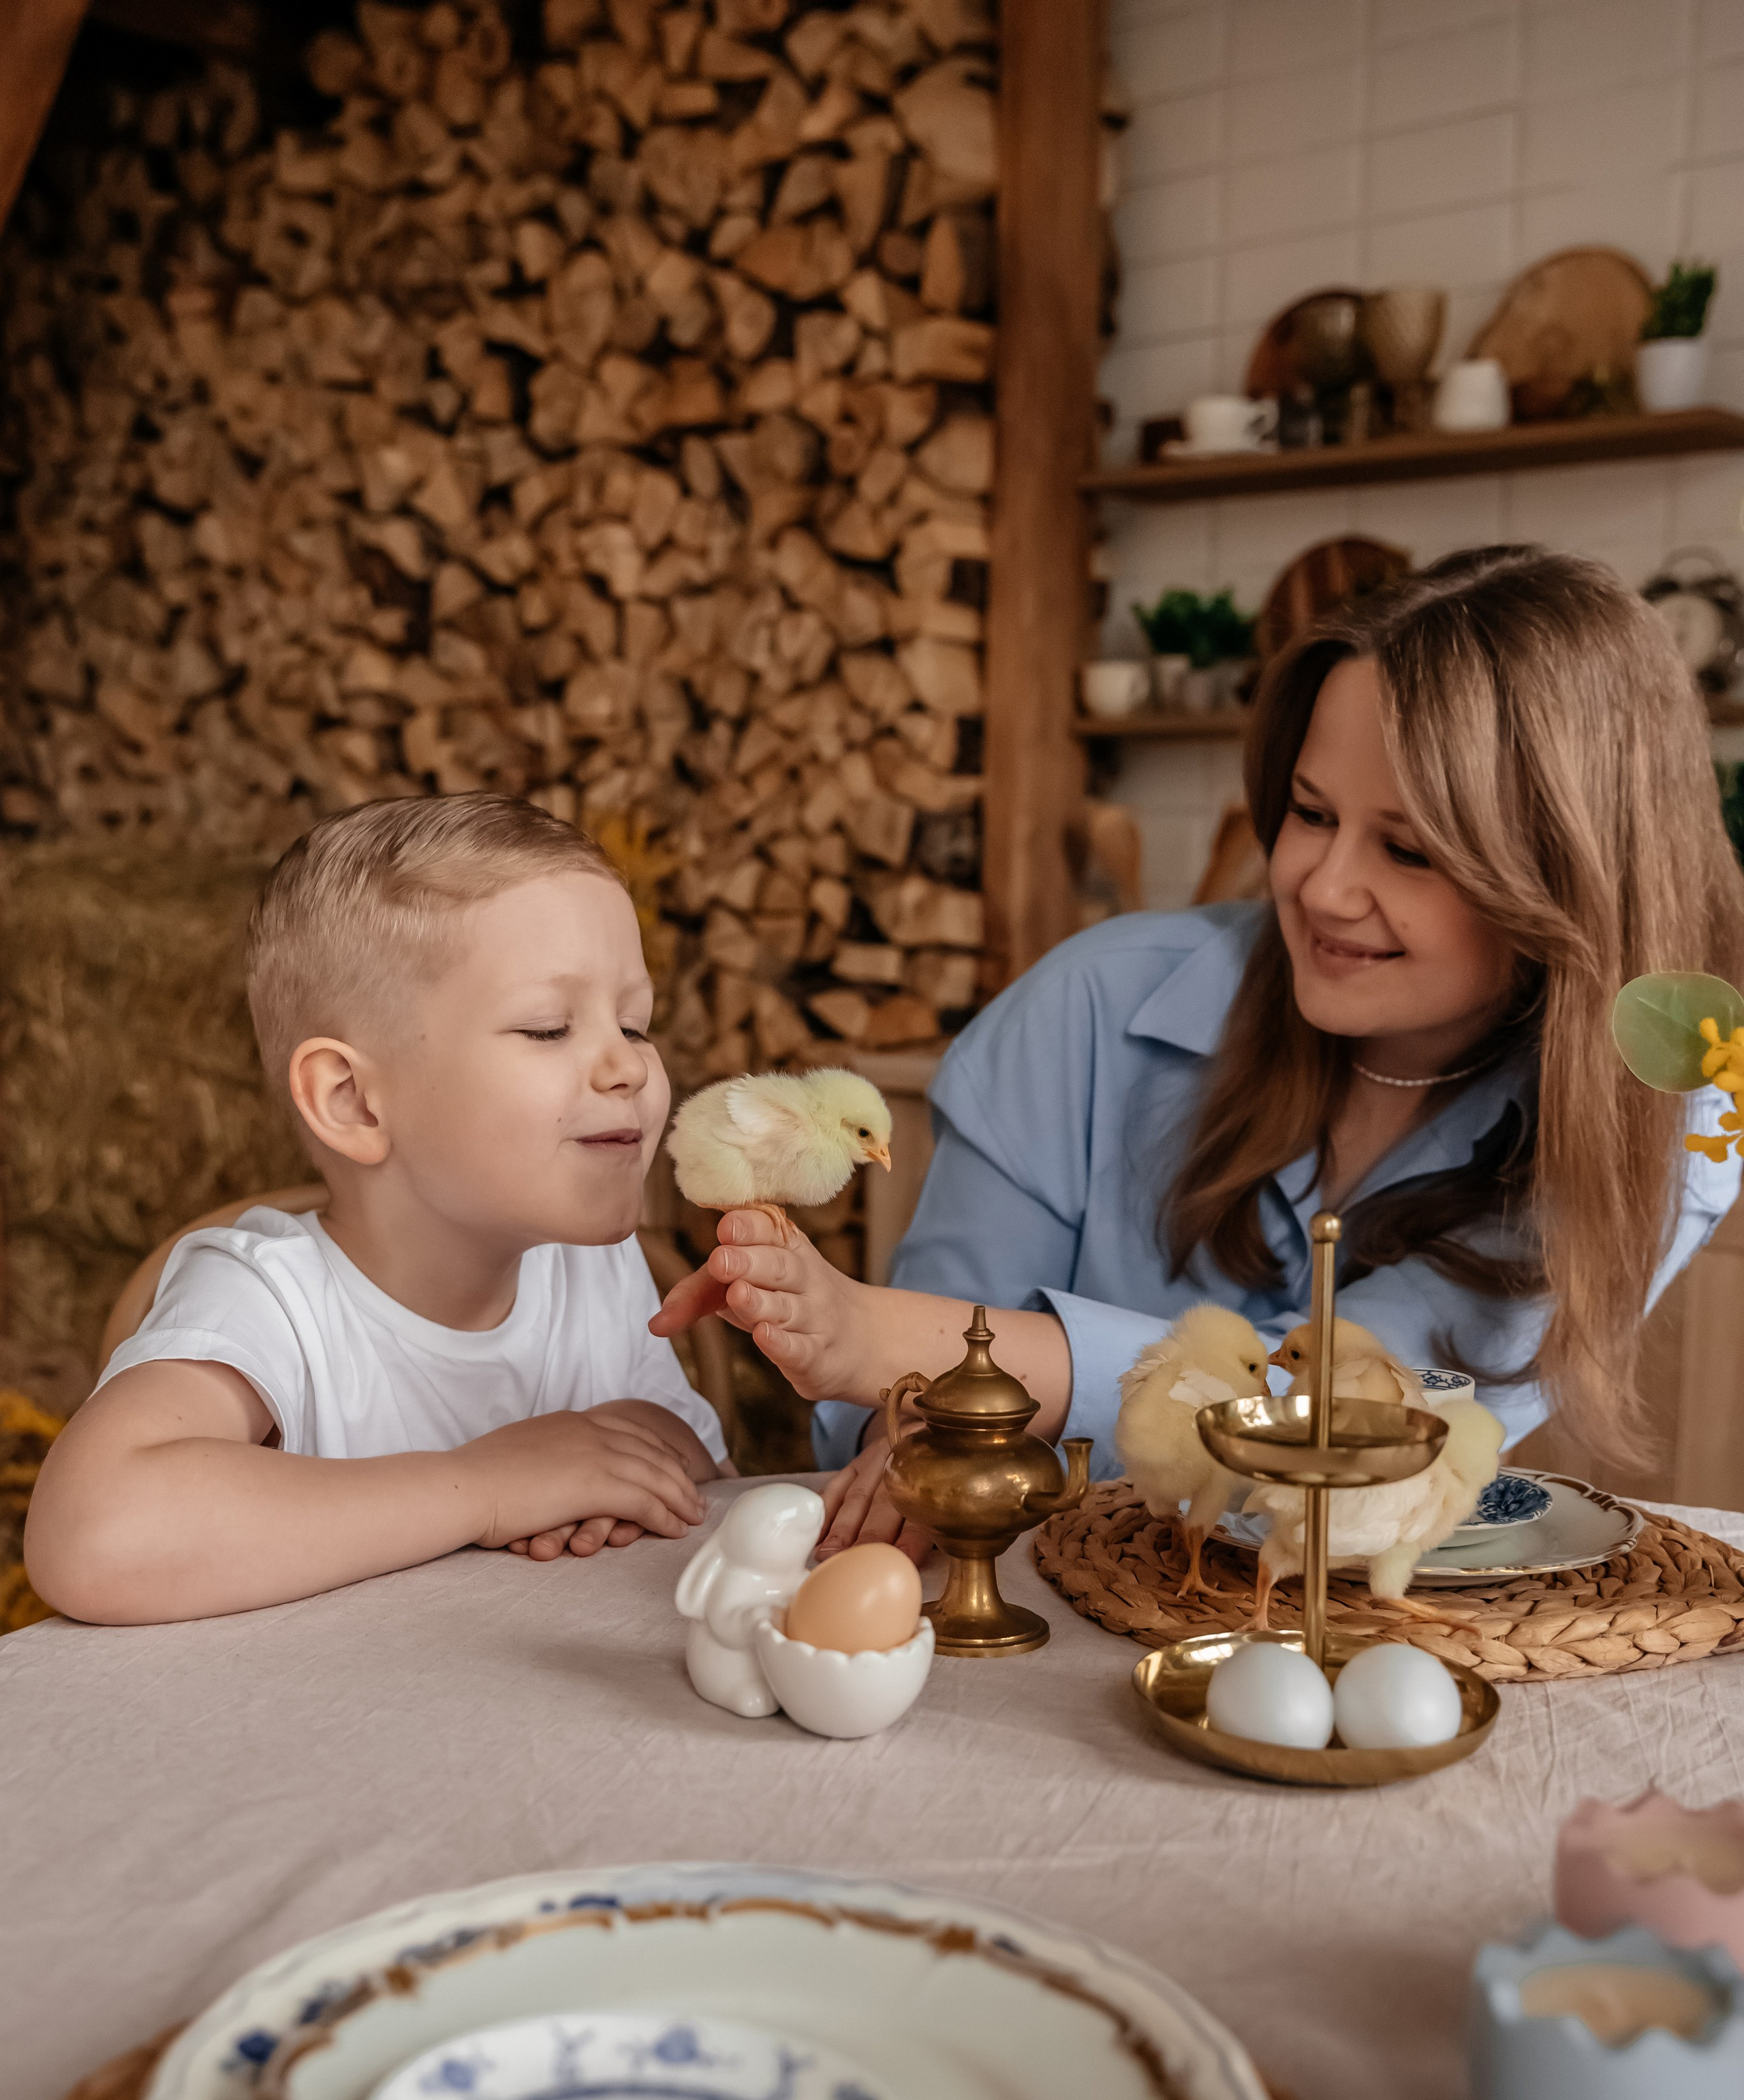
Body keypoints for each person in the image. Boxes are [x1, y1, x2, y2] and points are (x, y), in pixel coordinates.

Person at [653, 547, 1744, 1554]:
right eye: (1311, 814)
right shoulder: (1091, 1005)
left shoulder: (1663, 1112)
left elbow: (1346, 1431)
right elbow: (889, 1427)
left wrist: (904, 1342)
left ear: (1569, 886)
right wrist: (902, 1395)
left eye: (1407, 849)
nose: (1322, 886)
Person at [27, 794, 726, 1624]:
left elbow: (696, 1461)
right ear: (355, 1101)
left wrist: (622, 1445)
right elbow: (94, 1535)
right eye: (548, 1029)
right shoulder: (268, 1297)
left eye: (636, 1024)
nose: (629, 1069)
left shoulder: (593, 1263)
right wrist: (486, 1486)